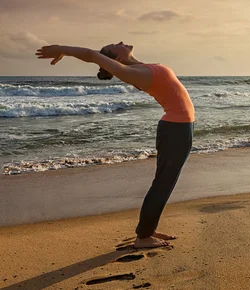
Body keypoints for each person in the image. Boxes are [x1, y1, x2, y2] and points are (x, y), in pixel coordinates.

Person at [35, 41, 195, 249]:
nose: (120, 42)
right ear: (117, 59)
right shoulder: (130, 72)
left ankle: (148, 229)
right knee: (163, 183)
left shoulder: (138, 68)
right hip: (175, 129)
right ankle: (144, 237)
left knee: (164, 182)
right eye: (115, 44)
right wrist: (64, 50)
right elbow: (91, 55)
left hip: (179, 127)